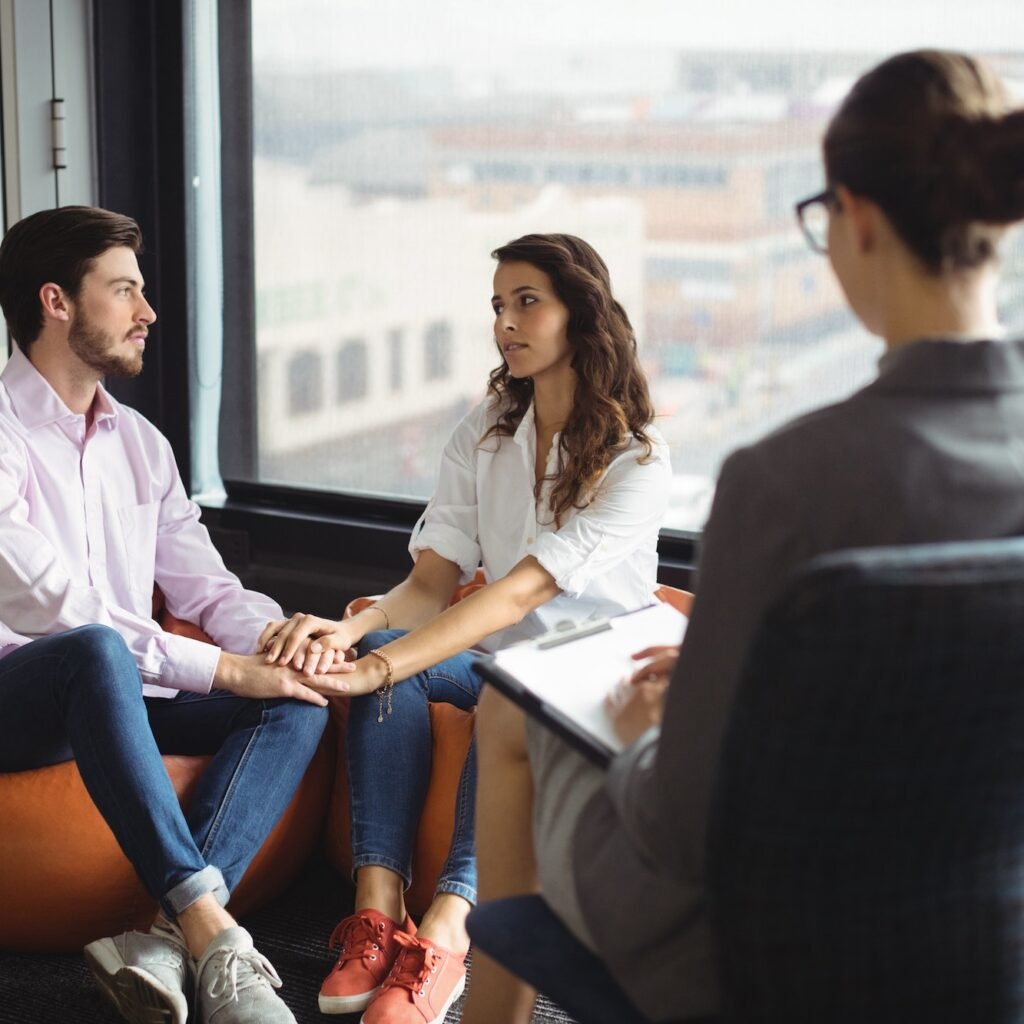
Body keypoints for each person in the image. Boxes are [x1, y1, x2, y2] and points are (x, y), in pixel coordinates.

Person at [461, 49, 1024, 1024]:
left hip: (763, 955)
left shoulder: (787, 482)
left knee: (511, 714)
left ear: (853, 219)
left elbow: (679, 829)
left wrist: (645, 740)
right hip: (988, 937)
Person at [260, 232, 672, 1023]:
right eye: (497, 305)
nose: (505, 324)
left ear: (580, 315)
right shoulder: (486, 428)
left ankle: (451, 927)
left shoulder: (638, 460)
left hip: (593, 670)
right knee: (388, 650)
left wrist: (380, 670)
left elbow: (517, 596)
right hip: (499, 651)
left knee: (498, 691)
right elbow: (431, 586)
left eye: (527, 303)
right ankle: (378, 909)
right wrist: (359, 637)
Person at [0, 206, 347, 1024]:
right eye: (124, 292)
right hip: (22, 693)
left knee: (295, 696)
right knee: (93, 649)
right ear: (56, 301)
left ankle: (175, 934)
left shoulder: (142, 445)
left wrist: (276, 639)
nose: (147, 313)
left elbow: (206, 588)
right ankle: (210, 924)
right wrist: (220, 668)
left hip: (127, 692)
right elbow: (53, 606)